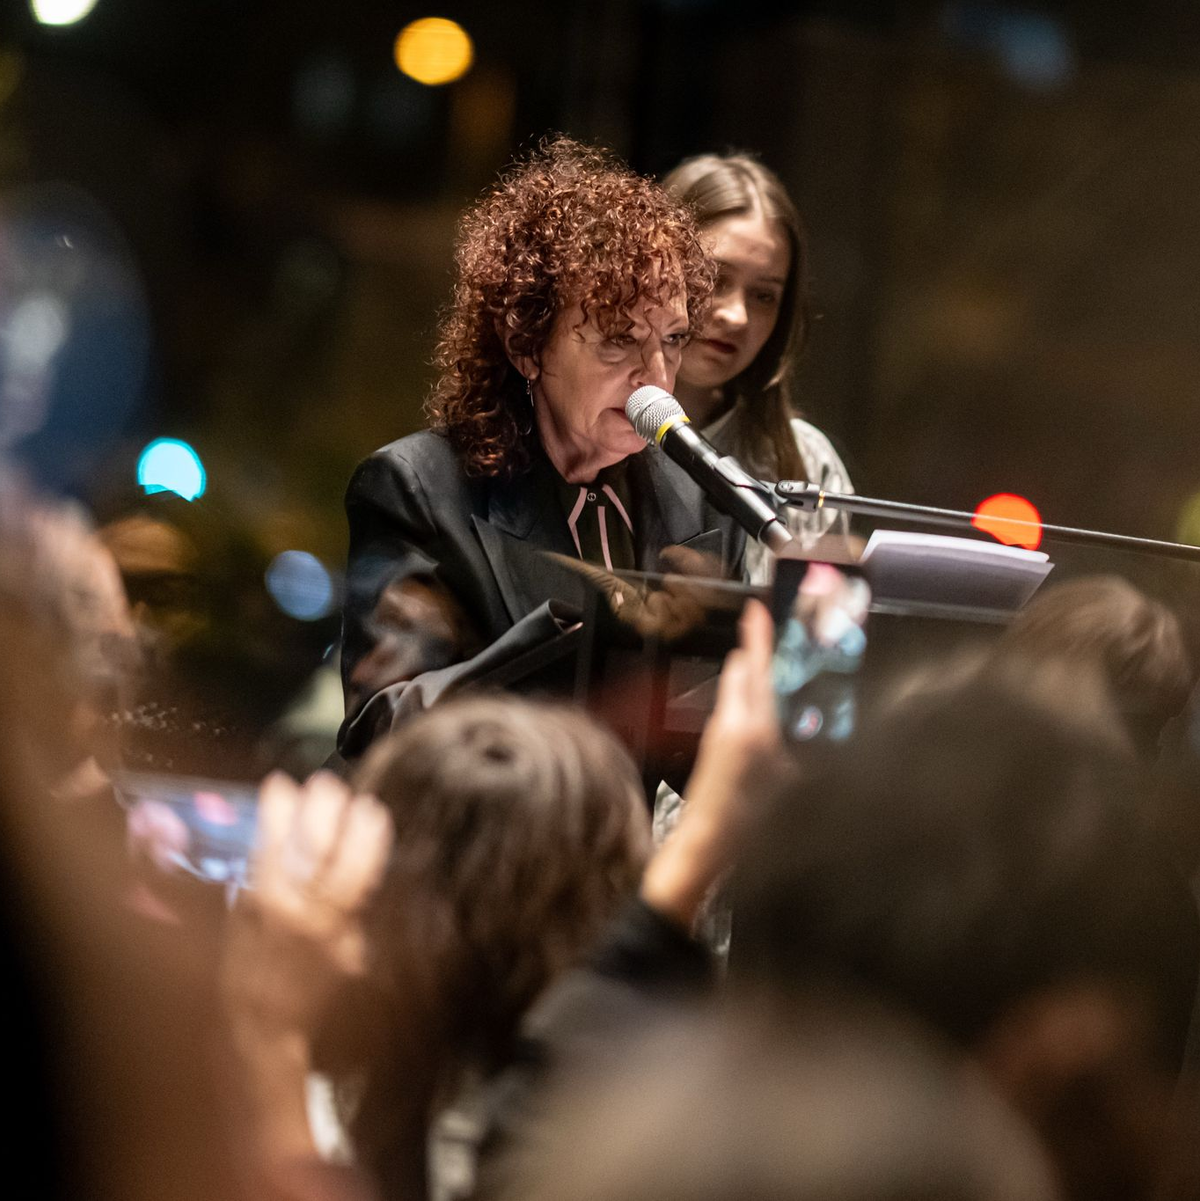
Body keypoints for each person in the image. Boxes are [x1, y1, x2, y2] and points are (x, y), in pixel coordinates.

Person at [338, 137, 746, 761]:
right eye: (619, 340)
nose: (657, 377)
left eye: (673, 338)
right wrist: (554, 645)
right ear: (527, 344)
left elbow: (703, 752)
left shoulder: (701, 501)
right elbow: (382, 726)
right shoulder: (419, 488)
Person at [662, 153, 854, 582]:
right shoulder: (589, 435)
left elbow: (818, 641)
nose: (738, 317)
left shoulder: (807, 463)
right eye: (713, 278)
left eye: (763, 296)